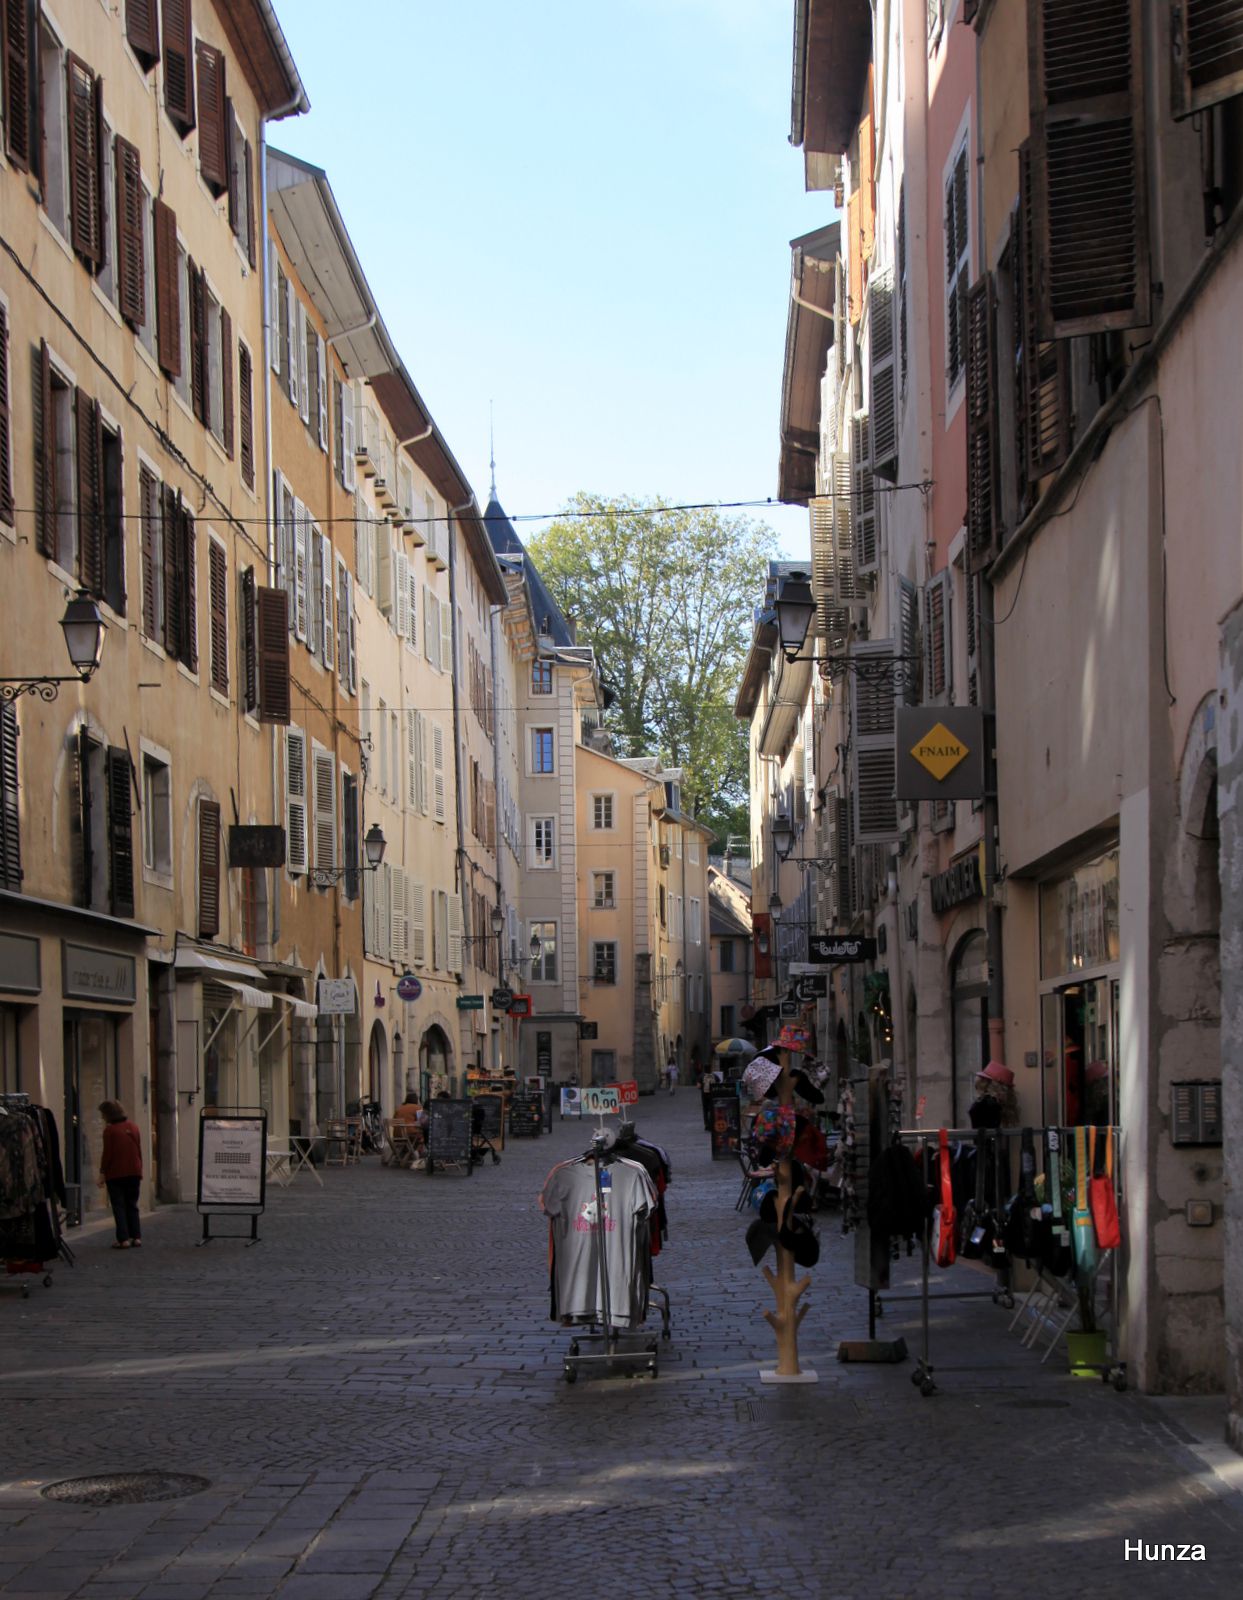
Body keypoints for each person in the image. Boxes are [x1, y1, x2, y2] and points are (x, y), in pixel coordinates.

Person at [97, 1100, 142, 1249]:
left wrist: (102, 1172)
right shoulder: (134, 1127)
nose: (103, 1118)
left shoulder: (110, 1131)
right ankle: (136, 1236)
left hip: (116, 1173)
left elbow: (107, 1154)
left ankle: (123, 1239)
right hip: (134, 1171)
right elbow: (138, 1150)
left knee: (119, 1206)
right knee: (132, 1204)